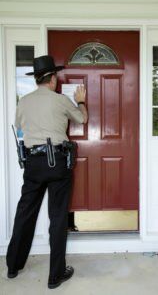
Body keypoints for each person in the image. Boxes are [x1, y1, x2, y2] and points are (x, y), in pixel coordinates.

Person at [6, 55, 88, 289]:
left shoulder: (24, 102)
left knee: (25, 213)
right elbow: (83, 119)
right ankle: (55, 275)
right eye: (56, 77)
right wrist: (81, 101)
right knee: (58, 216)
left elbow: (20, 127)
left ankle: (13, 266)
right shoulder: (61, 100)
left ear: (36, 80)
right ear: (52, 79)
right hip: (57, 162)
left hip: (32, 162)